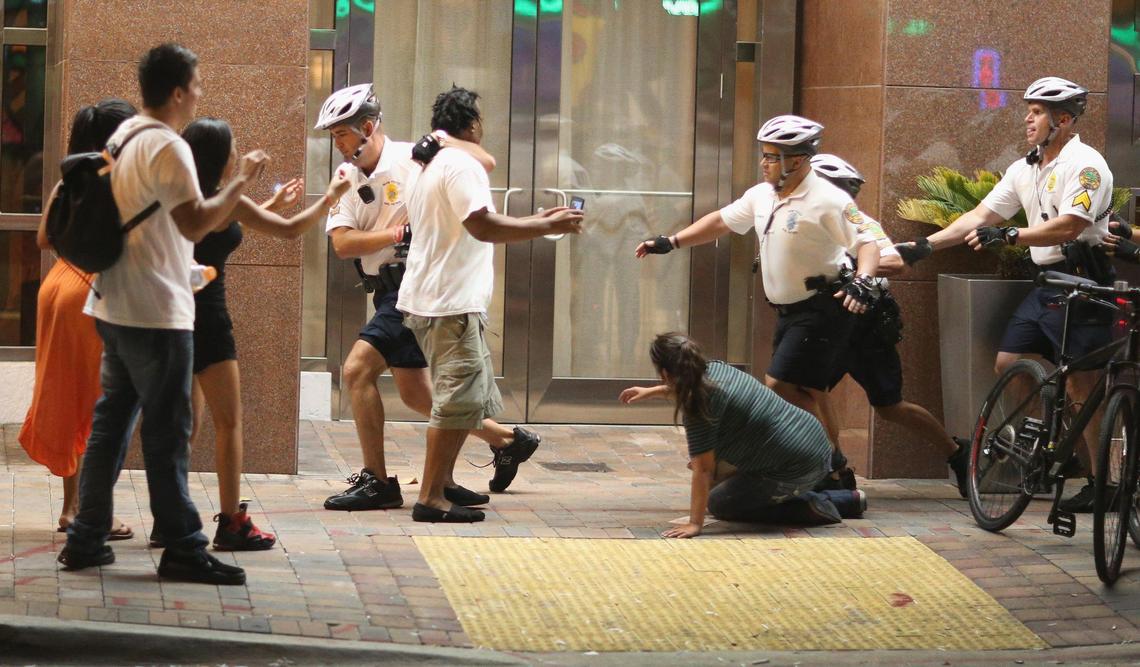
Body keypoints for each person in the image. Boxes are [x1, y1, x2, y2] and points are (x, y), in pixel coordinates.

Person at [57, 43, 268, 585]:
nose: (199, 93)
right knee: (168, 432)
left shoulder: (122, 136)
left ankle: (85, 539)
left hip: (113, 303)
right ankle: (182, 547)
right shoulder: (169, 147)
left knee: (110, 428)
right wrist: (241, 179)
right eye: (196, 84)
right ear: (178, 91)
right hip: (156, 312)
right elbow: (196, 224)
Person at [315, 84, 543, 511]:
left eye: (342, 134)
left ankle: (380, 481)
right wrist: (396, 232)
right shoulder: (346, 179)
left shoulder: (413, 159)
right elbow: (344, 244)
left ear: (367, 127)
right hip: (388, 289)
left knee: (356, 371)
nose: (339, 145)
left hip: (414, 288)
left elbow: (481, 164)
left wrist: (443, 140)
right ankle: (506, 441)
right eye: (332, 138)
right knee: (419, 395)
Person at [895, 77, 1113, 512]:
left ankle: (1104, 483)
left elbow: (1069, 225)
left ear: (1064, 120)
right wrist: (926, 246)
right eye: (1028, 110)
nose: (1027, 118)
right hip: (1046, 281)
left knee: (1082, 387)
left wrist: (1012, 234)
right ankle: (1059, 449)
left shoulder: (1087, 166)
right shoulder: (1026, 168)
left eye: (1037, 112)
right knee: (1009, 363)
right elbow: (980, 215)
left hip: (1083, 282)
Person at [635, 115, 881, 483]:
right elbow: (721, 221)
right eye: (764, 155)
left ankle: (824, 462)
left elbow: (867, 242)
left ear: (795, 161)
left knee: (779, 387)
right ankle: (831, 462)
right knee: (800, 390)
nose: (763, 163)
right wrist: (671, 242)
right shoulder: (762, 195)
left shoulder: (828, 199)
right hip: (787, 311)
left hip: (822, 309)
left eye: (771, 156)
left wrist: (864, 279)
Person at [155, 117, 350, 551]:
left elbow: (231, 225)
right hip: (208, 317)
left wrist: (273, 202)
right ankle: (231, 523)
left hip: (172, 315)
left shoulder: (181, 198)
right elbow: (289, 232)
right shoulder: (229, 199)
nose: (236, 153)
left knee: (184, 426)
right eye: (232, 147)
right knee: (229, 423)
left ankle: (170, 517)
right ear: (220, 158)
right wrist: (331, 199)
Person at [397, 85, 583, 523]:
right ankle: (430, 498)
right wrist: (540, 227)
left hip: (435, 299)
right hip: (450, 304)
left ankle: (442, 483)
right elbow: (481, 226)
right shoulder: (461, 165)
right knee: (455, 401)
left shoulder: (429, 164)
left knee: (465, 402)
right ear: (474, 124)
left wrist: (539, 220)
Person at [810, 153, 970, 497]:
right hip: (829, 323)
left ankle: (958, 454)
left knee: (889, 407)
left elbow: (895, 262)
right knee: (808, 390)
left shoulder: (857, 221)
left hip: (867, 326)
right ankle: (834, 468)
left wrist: (850, 270)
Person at [20, 99, 137, 537]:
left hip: (58, 287)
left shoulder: (72, 177)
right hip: (94, 291)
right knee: (102, 407)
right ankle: (89, 510)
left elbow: (43, 236)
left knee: (70, 396)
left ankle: (75, 506)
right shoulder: (120, 179)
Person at [620, 333, 866, 538]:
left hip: (798, 464)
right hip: (814, 443)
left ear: (665, 373)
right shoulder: (716, 369)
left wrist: (695, 524)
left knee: (719, 503)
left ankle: (817, 505)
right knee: (717, 478)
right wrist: (653, 392)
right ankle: (847, 498)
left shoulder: (698, 405)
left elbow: (702, 470)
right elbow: (692, 384)